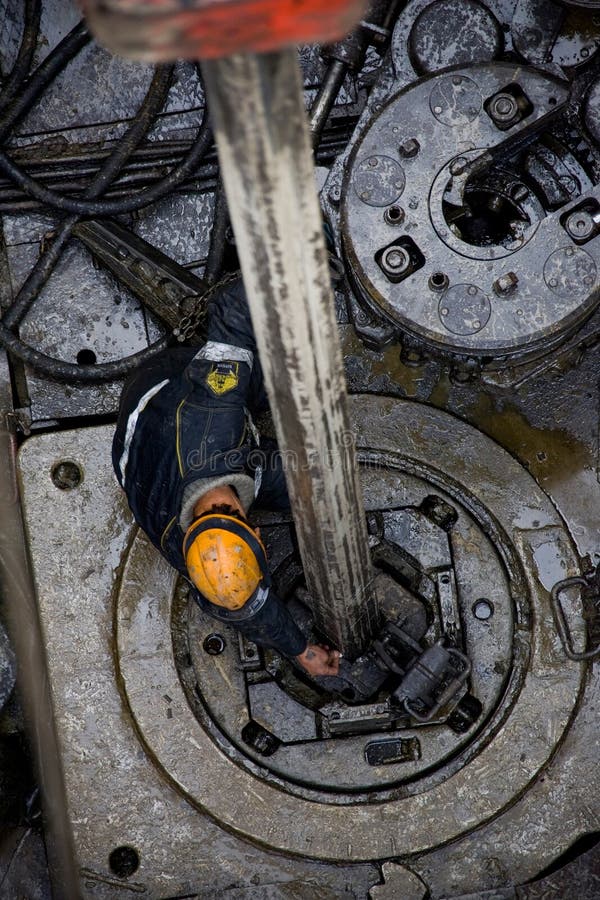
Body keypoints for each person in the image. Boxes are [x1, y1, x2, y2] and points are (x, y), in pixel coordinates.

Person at [112, 276, 340, 677]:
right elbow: (244, 607)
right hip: (153, 452)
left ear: (251, 527)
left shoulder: (214, 417)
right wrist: (300, 650)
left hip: (163, 384)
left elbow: (234, 310)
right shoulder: (201, 560)